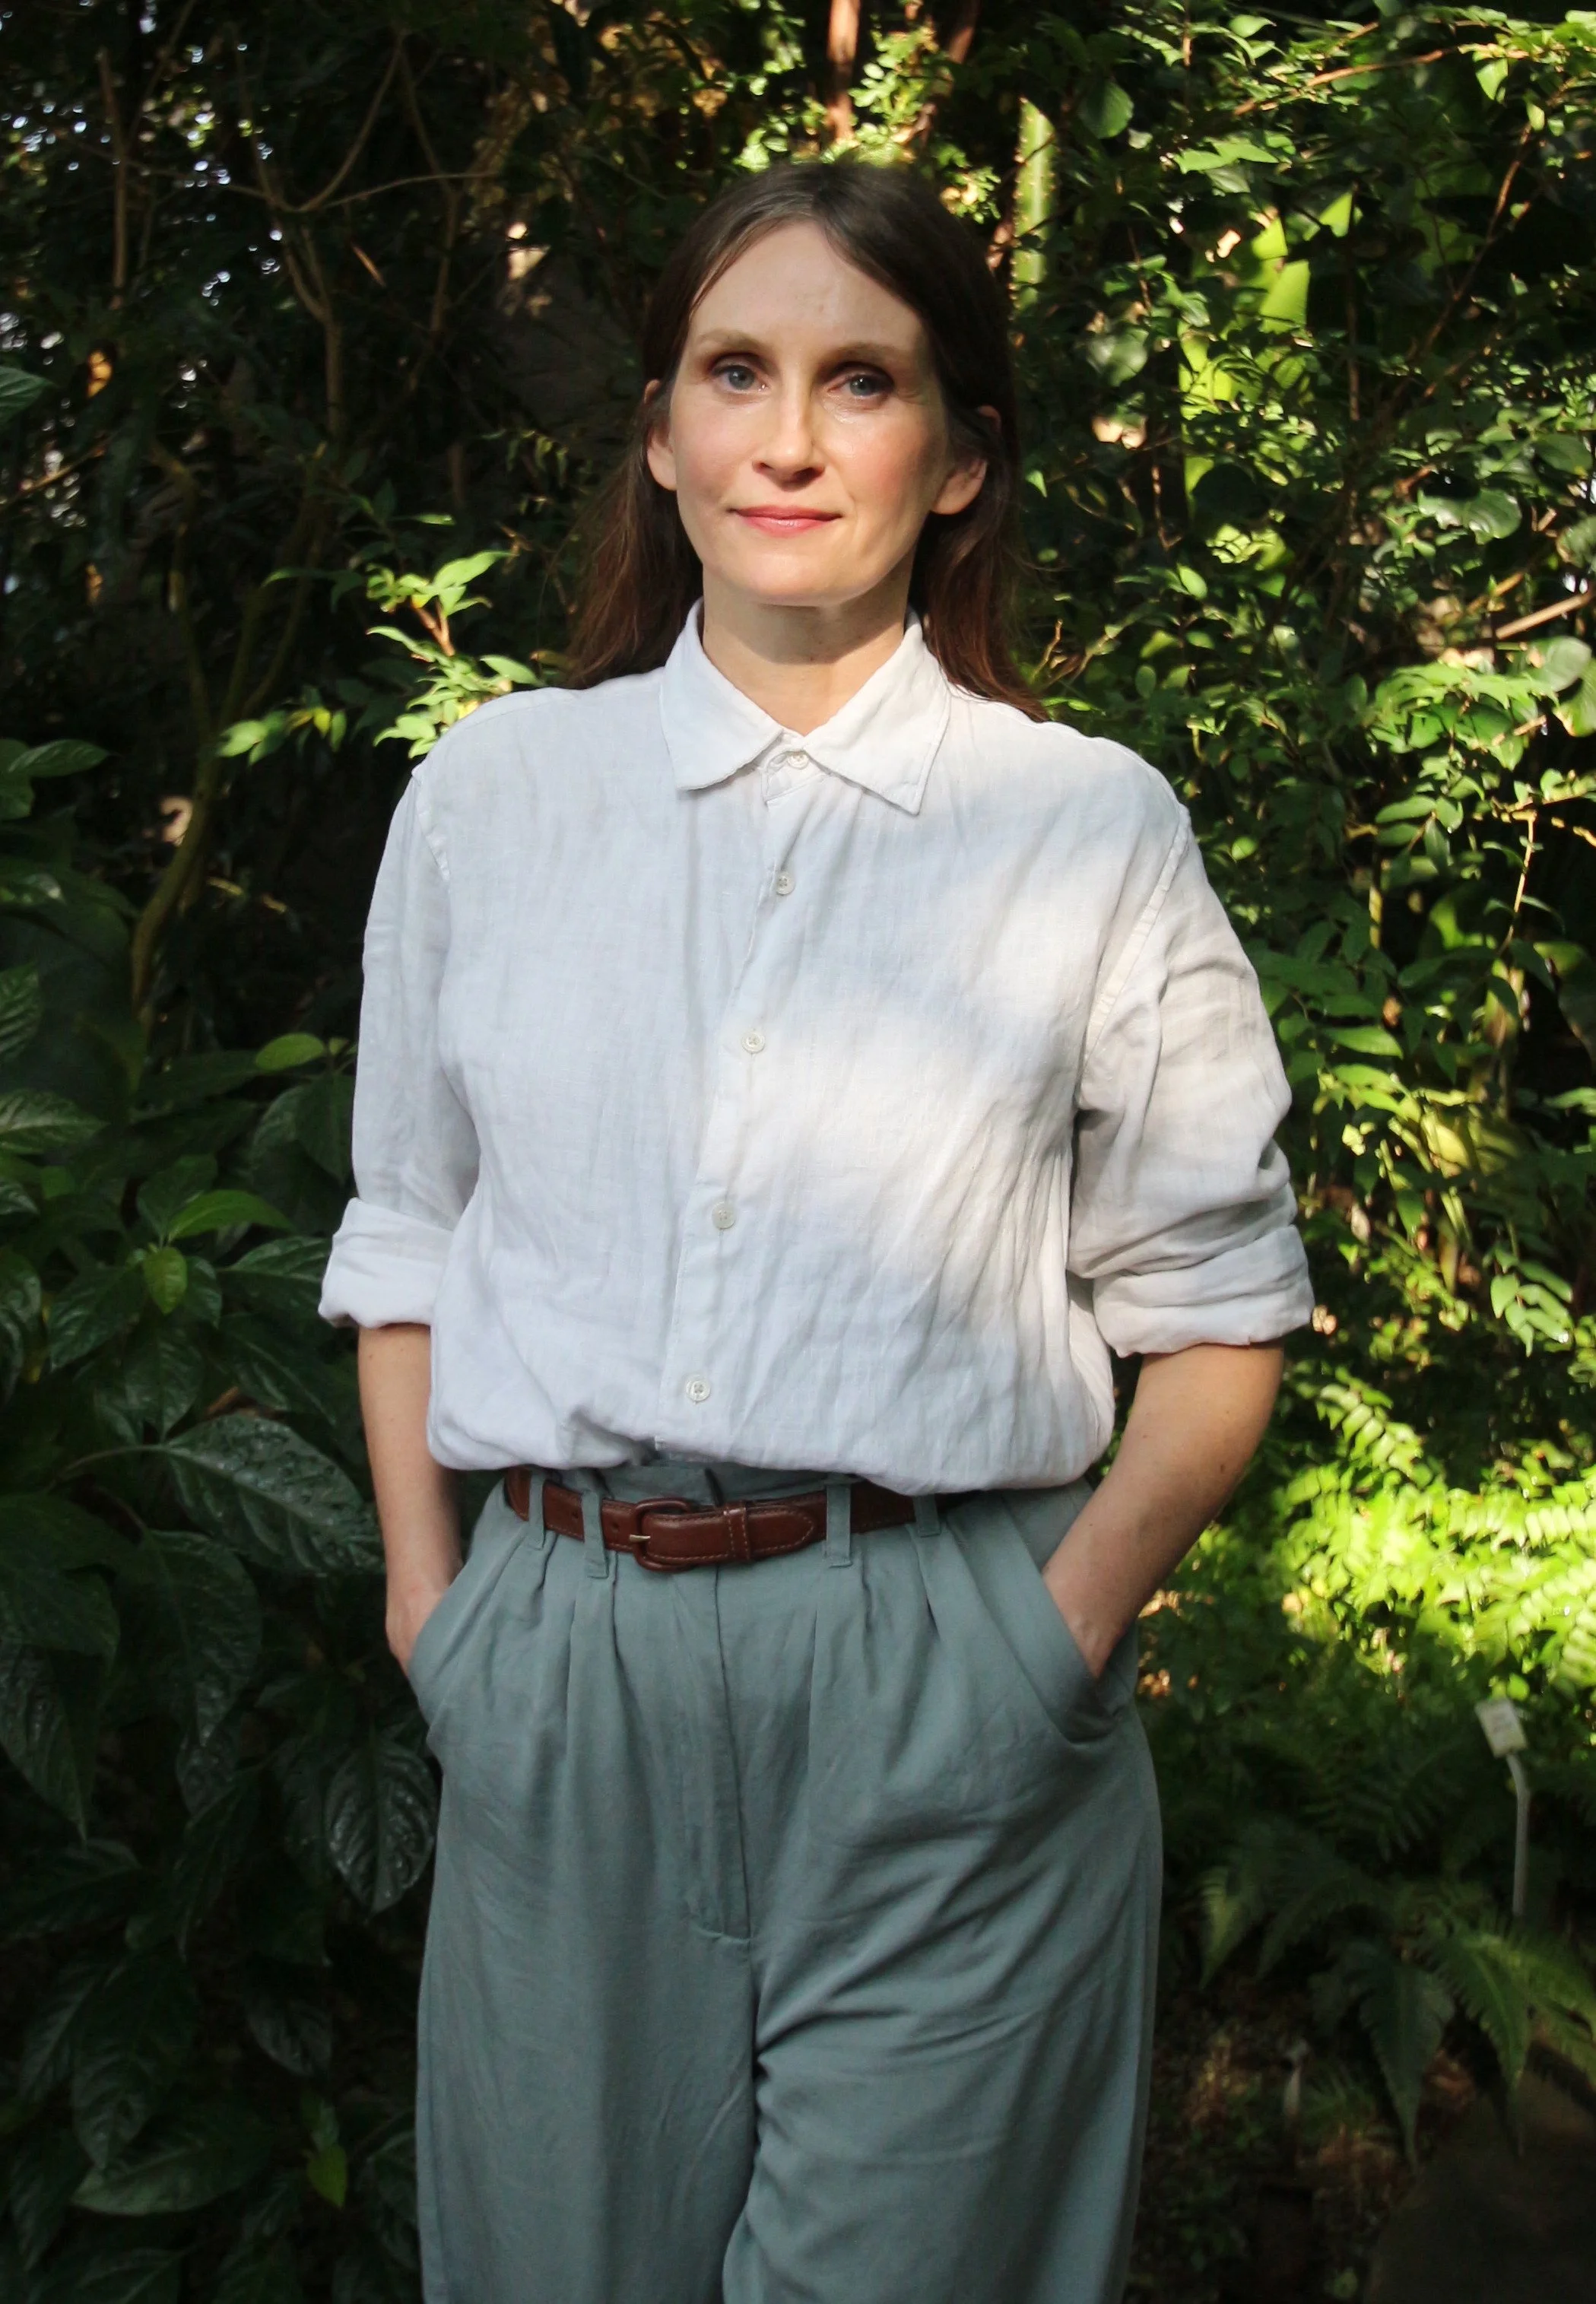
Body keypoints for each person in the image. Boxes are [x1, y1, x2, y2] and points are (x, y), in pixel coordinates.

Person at [319, 160, 1313, 2304]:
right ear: (660, 435)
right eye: (735, 372)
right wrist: (434, 1614)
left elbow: (1222, 1311)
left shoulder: (1087, 827)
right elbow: (407, 1234)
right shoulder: (495, 798)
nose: (788, 437)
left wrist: (1048, 1639)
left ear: (957, 461)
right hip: (561, 1661)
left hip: (943, 1672)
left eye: (860, 380)